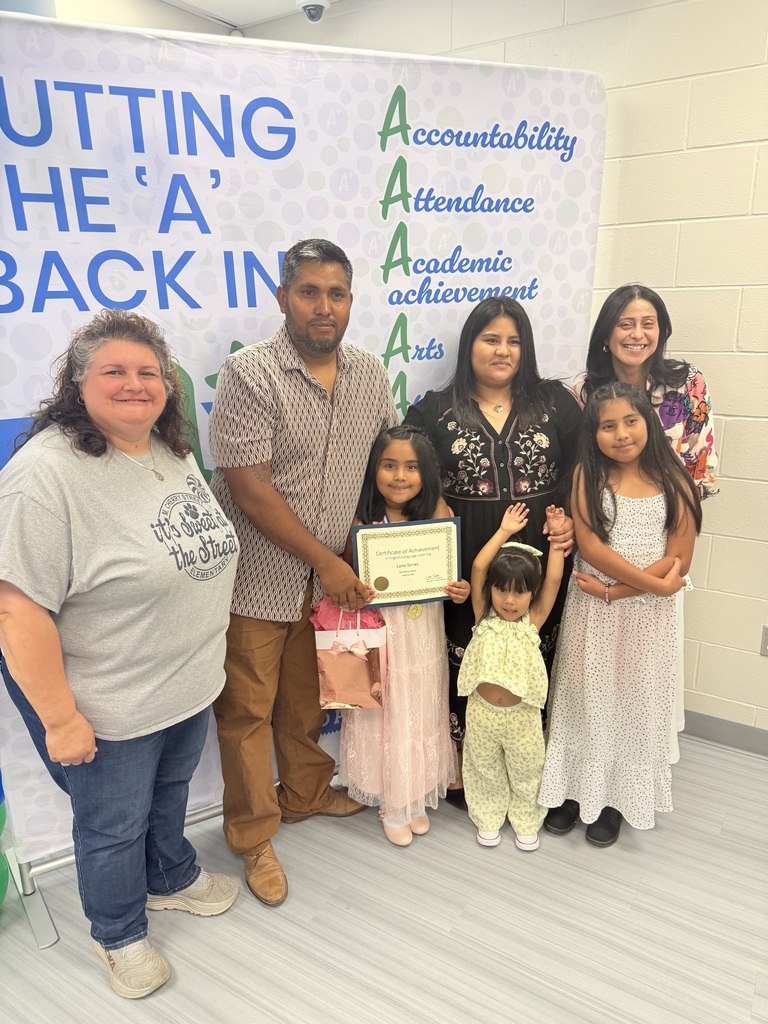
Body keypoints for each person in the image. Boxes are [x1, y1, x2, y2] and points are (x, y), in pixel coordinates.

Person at [0, 310, 239, 1000]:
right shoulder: (43, 477)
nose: (135, 384)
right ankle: (118, 933)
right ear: (77, 385)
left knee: (169, 795)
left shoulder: (170, 447)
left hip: (185, 680)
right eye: (114, 371)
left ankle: (169, 878)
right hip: (109, 702)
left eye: (148, 372)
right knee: (110, 826)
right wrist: (59, 717)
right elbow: (16, 610)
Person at [208, 239, 397, 905]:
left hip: (331, 588)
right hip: (256, 581)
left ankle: (308, 793)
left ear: (351, 300)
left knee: (308, 699)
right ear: (283, 296)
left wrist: (386, 549)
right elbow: (251, 490)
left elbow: (387, 467)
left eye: (336, 293)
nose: (324, 307)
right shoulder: (248, 374)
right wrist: (327, 560)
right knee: (246, 712)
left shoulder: (372, 375)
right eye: (309, 292)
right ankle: (252, 834)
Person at [404, 297, 581, 807]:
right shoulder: (434, 410)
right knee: (471, 658)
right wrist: (436, 504)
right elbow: (408, 471)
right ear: (470, 346)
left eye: (514, 341)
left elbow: (580, 470)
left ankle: (533, 771)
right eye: (491, 339)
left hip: (540, 558)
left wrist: (568, 519)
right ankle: (470, 770)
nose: (503, 351)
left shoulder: (554, 403)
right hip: (467, 559)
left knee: (534, 656)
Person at [539, 383, 701, 847]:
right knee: (584, 695)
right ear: (593, 434)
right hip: (594, 612)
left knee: (633, 701)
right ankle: (572, 791)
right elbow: (589, 548)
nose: (622, 434)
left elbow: (679, 561)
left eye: (630, 421)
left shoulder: (676, 482)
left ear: (648, 423)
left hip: (644, 618)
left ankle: (613, 800)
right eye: (608, 426)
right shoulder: (586, 479)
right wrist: (653, 587)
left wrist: (621, 592)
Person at [338, 425, 469, 846]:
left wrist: (459, 590)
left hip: (424, 630)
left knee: (421, 704)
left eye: (411, 467)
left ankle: (414, 794)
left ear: (426, 473)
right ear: (373, 469)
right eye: (389, 465)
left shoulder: (437, 512)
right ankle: (392, 801)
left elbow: (451, 577)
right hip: (382, 632)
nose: (399, 476)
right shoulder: (362, 519)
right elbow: (348, 578)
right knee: (387, 704)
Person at [457, 502, 566, 851]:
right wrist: (504, 532)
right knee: (483, 768)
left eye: (519, 591)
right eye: (502, 589)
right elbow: (478, 566)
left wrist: (555, 536)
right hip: (482, 714)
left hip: (522, 718)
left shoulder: (531, 623)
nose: (509, 599)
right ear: (491, 590)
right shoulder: (482, 617)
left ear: (531, 595)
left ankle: (525, 818)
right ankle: (488, 816)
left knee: (527, 770)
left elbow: (553, 578)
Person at [574, 284, 718, 500]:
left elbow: (701, 462)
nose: (637, 334)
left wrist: (677, 514)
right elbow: (581, 463)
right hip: (604, 514)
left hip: (675, 512)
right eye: (625, 324)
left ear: (660, 332)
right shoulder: (584, 391)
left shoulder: (688, 383)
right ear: (605, 335)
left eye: (648, 324)